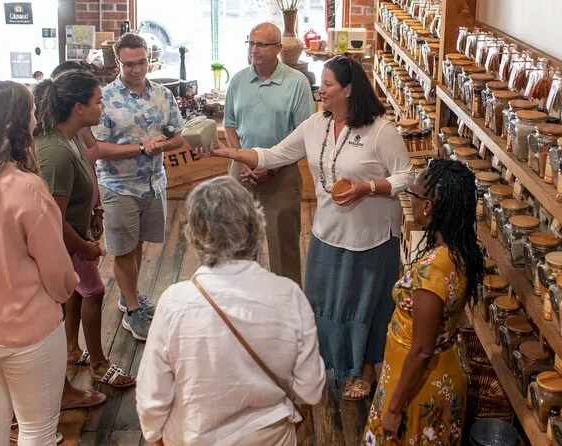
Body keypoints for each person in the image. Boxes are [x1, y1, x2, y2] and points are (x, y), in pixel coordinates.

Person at [196, 55, 414, 400]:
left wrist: (368, 187)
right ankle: (331, 363)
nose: (321, 90)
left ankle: (364, 370)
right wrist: (231, 154)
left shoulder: (381, 131)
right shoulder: (316, 124)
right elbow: (274, 155)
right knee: (323, 303)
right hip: (327, 232)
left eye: (328, 84)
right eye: (321, 84)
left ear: (348, 90)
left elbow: (406, 176)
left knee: (363, 306)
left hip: (370, 238)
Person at [136, 176, 326, 445]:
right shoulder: (289, 296)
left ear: (194, 234)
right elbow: (311, 389)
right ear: (255, 227)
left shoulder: (173, 303)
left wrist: (156, 436)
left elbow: (152, 397)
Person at [0, 81, 79, 445]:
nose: (36, 119)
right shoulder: (25, 187)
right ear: (17, 123)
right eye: (31, 112)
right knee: (37, 428)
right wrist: (69, 287)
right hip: (28, 325)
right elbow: (56, 270)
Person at [363, 160, 484, 445]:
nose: (410, 201)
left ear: (428, 206)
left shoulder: (434, 270)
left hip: (418, 385)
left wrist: (394, 408)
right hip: (441, 372)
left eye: (412, 195)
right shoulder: (459, 249)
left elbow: (421, 350)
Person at [33, 69, 137, 388]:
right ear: (78, 108)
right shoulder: (55, 152)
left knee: (76, 292)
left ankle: (72, 350)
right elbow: (53, 217)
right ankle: (98, 364)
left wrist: (95, 210)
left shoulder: (73, 137)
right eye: (98, 101)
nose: (102, 107)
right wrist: (84, 246)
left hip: (78, 232)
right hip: (67, 243)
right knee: (93, 290)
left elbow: (84, 178)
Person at [93, 32, 186, 341]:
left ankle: (127, 294)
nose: (136, 69)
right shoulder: (104, 98)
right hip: (118, 185)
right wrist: (141, 148)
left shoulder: (163, 95)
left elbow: (179, 136)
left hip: (153, 183)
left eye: (141, 62)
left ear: (149, 59)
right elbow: (98, 148)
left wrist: (162, 145)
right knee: (122, 250)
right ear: (118, 63)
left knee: (137, 243)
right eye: (129, 64)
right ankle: (133, 311)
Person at [224, 22, 315, 285]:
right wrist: (241, 160)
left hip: (281, 174)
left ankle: (285, 302)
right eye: (251, 43)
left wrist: (271, 167)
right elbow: (230, 125)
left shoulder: (297, 83)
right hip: (241, 172)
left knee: (283, 247)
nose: (254, 50)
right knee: (238, 246)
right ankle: (242, 299)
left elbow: (304, 134)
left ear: (278, 48)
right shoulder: (238, 80)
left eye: (261, 45)